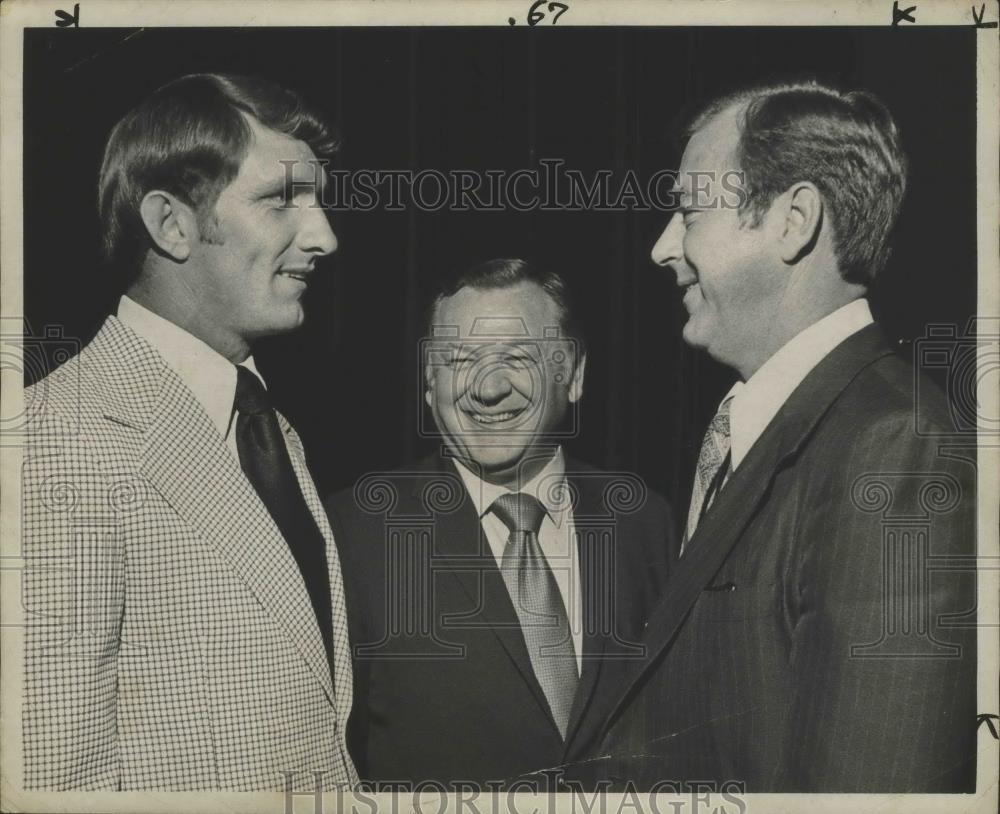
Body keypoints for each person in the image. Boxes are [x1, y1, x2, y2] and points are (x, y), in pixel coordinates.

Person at [567, 80, 978, 793]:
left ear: (794, 221)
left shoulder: (896, 445)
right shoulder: (764, 426)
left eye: (689, 210)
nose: (663, 248)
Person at [21, 73, 356, 791]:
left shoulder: (267, 425)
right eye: (280, 199)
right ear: (171, 225)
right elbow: (54, 782)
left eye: (320, 201)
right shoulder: (54, 439)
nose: (324, 235)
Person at [325, 258, 675, 789]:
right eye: (460, 360)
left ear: (574, 376)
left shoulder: (645, 520)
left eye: (518, 357)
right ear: (428, 384)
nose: (488, 389)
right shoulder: (355, 530)